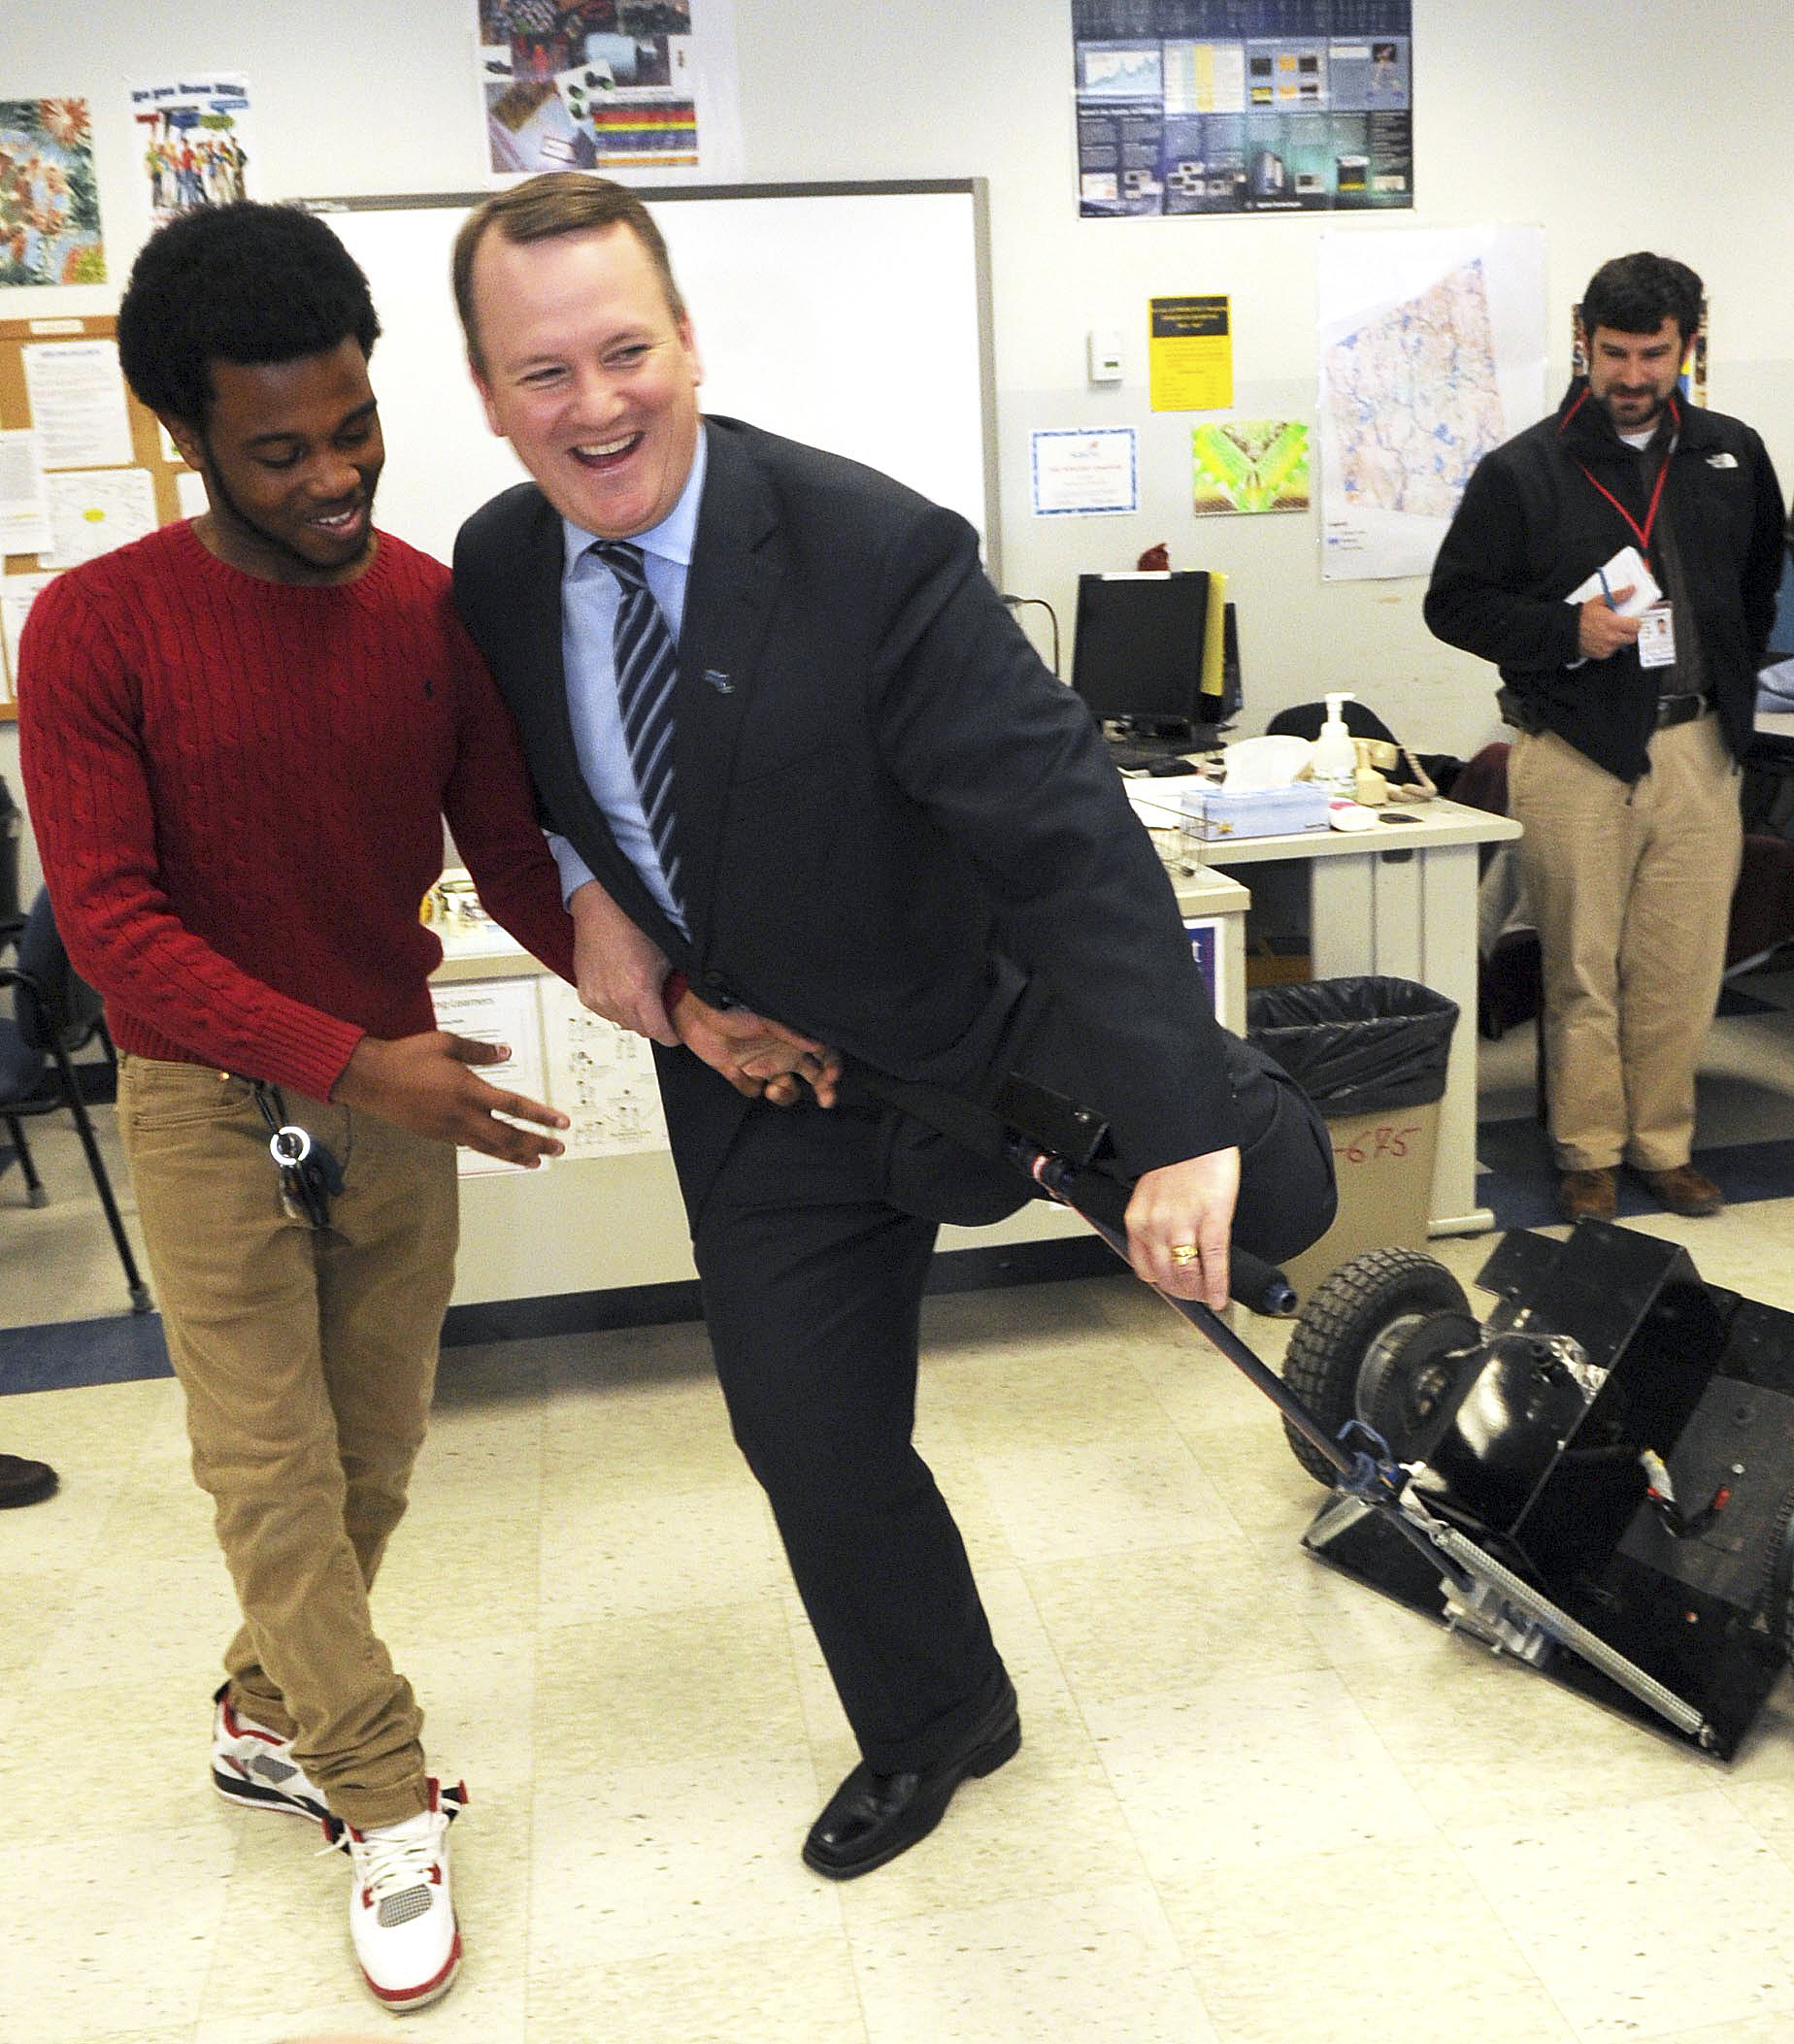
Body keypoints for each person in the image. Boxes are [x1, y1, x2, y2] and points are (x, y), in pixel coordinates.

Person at [449, 173, 1335, 1880]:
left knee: (1264, 1205)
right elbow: (561, 787)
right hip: (764, 1088)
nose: (595, 402)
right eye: (541, 373)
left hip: (976, 1020)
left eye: (624, 350)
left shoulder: (873, 550)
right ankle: (939, 1718)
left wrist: (1176, 1125)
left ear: (688, 341)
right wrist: (595, 898)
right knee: (804, 1426)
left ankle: (1235, 1111)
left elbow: (1066, 841)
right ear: (488, 395)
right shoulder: (495, 566)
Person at [17, 202, 581, 2013]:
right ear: (186, 434)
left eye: (355, 425)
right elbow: (115, 937)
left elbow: (509, 857)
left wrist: (677, 990)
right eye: (282, 448)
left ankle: (266, 1714)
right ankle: (377, 1788)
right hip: (204, 1094)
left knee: (371, 1460)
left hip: (389, 1090)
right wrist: (351, 1061)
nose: (335, 473)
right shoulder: (93, 632)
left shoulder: (429, 608)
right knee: (268, 1475)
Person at [1426, 251, 1784, 1224]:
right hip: (1575, 750)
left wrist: (1731, 720)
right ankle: (1587, 1150)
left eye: (1654, 355)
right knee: (1581, 965)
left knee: (1679, 965)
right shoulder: (1522, 471)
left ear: (1688, 349)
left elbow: (1756, 591)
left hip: (1697, 749)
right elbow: (1452, 605)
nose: (1632, 376)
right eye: (1614, 353)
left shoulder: (1733, 453)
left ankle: (1664, 1145)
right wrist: (1562, 634)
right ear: (1583, 342)